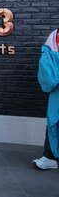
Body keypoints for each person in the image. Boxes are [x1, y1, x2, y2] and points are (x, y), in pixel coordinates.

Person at [33, 29, 59, 170]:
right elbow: (47, 60)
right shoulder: (55, 35)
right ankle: (50, 157)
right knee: (54, 121)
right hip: (57, 85)